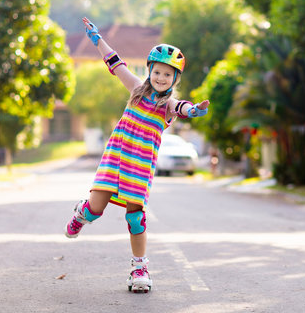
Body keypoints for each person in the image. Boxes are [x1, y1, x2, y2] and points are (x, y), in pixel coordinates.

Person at [64, 17, 210, 293]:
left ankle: (139, 268)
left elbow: (183, 107)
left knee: (135, 216)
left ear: (175, 79)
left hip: (140, 166)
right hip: (116, 157)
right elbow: (115, 63)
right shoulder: (135, 90)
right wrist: (97, 39)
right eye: (157, 72)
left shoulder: (168, 105)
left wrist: (195, 110)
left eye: (168, 75)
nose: (161, 78)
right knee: (96, 209)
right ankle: (82, 214)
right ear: (149, 70)